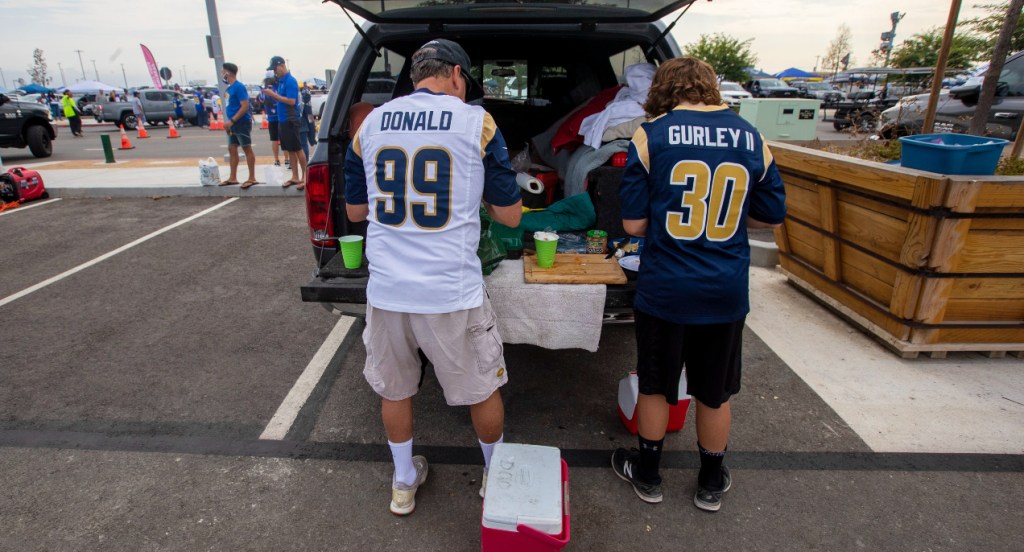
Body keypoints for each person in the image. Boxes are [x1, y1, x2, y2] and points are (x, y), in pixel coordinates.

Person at [344, 38, 523, 516]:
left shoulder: (371, 124)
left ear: (414, 76)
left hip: (388, 290)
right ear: (458, 77)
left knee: (394, 387)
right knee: (482, 387)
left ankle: (403, 482)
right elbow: (508, 215)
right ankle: (495, 477)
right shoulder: (477, 122)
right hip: (451, 290)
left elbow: (356, 210)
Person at [610, 57, 786, 510]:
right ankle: (710, 481)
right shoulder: (751, 136)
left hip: (666, 288)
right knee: (714, 389)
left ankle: (648, 475)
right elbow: (772, 215)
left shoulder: (652, 135)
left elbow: (632, 224)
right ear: (711, 87)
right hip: (724, 290)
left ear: (663, 88)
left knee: (654, 385)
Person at [262, 56, 305, 188]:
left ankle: (305, 175)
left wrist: (274, 95)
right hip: (282, 119)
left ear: (281, 65)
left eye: (275, 69)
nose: (275, 72)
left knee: (297, 148)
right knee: (289, 149)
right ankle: (295, 176)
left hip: (290, 119)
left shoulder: (290, 81)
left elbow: (292, 101)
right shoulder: (281, 81)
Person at [219, 62, 258, 188]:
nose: (221, 74)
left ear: (227, 73)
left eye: (222, 71)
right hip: (232, 123)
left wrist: (233, 121)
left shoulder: (239, 87)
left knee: (246, 148)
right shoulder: (230, 88)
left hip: (240, 123)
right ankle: (233, 177)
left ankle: (252, 177)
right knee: (232, 148)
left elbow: (245, 106)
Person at [259, 76, 282, 166]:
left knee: (274, 139)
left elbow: (261, 100)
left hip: (272, 117)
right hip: (279, 116)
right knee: (282, 140)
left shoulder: (264, 90)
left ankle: (277, 160)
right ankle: (286, 159)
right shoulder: (278, 87)